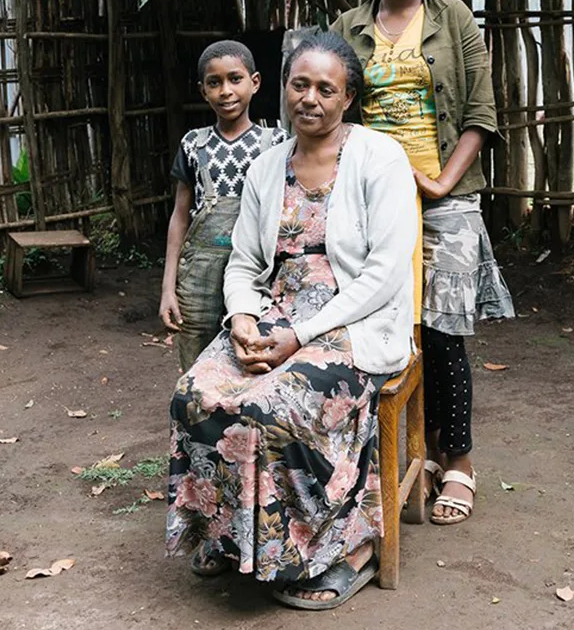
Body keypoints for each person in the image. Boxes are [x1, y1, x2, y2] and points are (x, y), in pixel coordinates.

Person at [167, 32, 417, 611]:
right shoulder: (267, 166)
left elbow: (383, 275)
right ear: (283, 90)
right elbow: (244, 263)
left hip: (355, 324)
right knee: (193, 396)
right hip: (275, 317)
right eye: (299, 85)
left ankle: (341, 548)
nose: (310, 99)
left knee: (272, 407)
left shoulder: (380, 158)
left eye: (325, 89)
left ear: (348, 97)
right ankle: (227, 534)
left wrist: (298, 338)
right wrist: (243, 320)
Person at [332, 0, 515, 527]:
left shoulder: (455, 19)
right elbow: (333, 116)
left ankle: (457, 460)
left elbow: (482, 116)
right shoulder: (347, 28)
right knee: (377, 331)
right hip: (369, 202)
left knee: (441, 333)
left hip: (445, 201)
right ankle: (406, 454)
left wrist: (438, 186)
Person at [160, 40, 287, 372]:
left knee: (253, 355)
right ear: (203, 91)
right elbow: (179, 217)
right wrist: (168, 287)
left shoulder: (277, 142)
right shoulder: (193, 143)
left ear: (255, 82)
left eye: (235, 79)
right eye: (214, 83)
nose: (225, 91)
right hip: (199, 277)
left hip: (257, 272)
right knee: (198, 363)